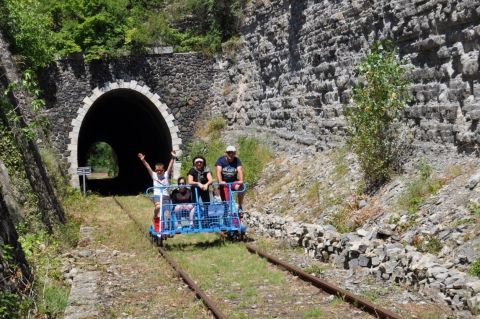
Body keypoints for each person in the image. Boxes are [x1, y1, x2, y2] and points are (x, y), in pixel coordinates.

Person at [138, 151, 176, 230]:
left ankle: (167, 227)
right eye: (157, 170)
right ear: (155, 170)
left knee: (167, 213)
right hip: (157, 195)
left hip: (166, 195)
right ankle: (155, 216)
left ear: (163, 170)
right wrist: (143, 160)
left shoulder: (166, 174)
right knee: (158, 206)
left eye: (160, 170)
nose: (159, 172)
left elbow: (170, 166)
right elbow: (148, 167)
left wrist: (173, 157)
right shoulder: (154, 175)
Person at [215, 145, 245, 212]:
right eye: (229, 152)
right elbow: (218, 171)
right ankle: (227, 215)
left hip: (233, 182)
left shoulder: (237, 160)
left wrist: (241, 180)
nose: (230, 154)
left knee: (242, 188)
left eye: (232, 153)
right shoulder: (221, 160)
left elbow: (240, 170)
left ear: (235, 153)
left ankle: (240, 205)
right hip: (224, 183)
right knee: (226, 202)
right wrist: (220, 181)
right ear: (226, 153)